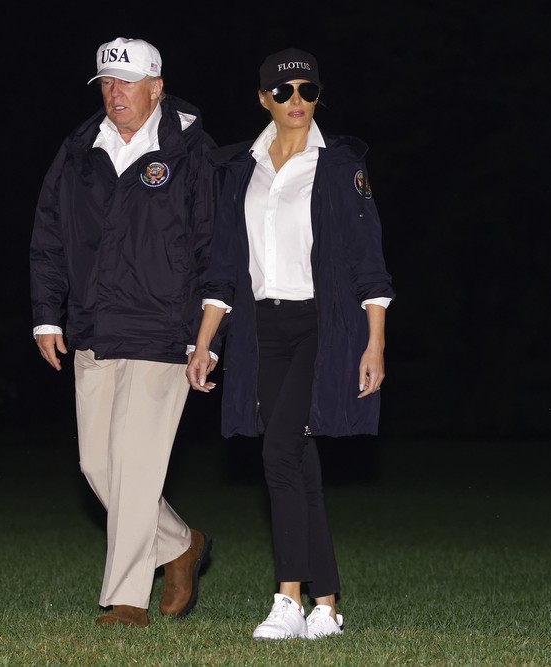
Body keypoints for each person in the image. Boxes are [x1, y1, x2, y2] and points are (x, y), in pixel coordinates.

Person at [186, 47, 395, 640]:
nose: (297, 101)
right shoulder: (240, 170)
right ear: (263, 99)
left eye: (307, 90)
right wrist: (205, 345)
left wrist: (374, 343)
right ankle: (326, 605)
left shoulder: (339, 166)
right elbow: (223, 269)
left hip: (322, 328)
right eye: (284, 92)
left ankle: (287, 598)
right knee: (296, 461)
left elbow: (370, 263)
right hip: (263, 330)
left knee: (278, 453)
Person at [30, 37, 216, 629]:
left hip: (165, 333)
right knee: (97, 467)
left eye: (128, 82)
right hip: (94, 326)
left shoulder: (191, 152)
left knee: (136, 466)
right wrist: (46, 314)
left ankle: (126, 599)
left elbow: (214, 249)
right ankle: (181, 542)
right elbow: (50, 235)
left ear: (157, 87)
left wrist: (203, 336)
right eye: (107, 83)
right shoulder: (80, 149)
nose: (115, 94)